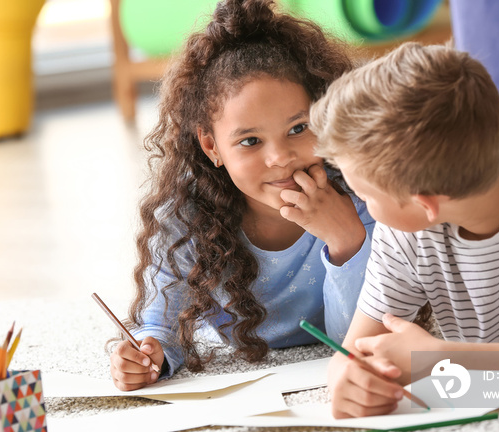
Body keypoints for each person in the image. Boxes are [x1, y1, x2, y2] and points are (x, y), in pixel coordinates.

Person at [310, 42, 499, 418]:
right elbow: (356, 349)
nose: (363, 206)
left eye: (364, 195)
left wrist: (445, 359)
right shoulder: (405, 229)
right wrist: (347, 377)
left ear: (425, 204)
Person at [109, 0, 376, 391]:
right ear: (212, 147)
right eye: (250, 141)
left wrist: (346, 239)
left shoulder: (362, 190)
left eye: (299, 128)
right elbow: (159, 329)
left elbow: (359, 341)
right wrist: (147, 356)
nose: (280, 158)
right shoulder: (186, 215)